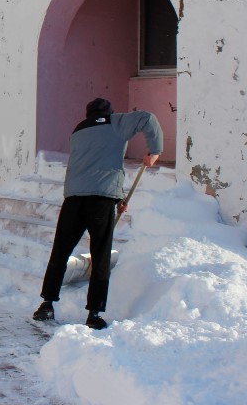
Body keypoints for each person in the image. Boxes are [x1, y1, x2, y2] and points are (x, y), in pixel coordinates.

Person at [33, 97, 163, 329]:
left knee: (60, 251)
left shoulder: (79, 131)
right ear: (109, 112)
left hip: (74, 198)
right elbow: (147, 118)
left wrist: (118, 197)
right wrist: (155, 150)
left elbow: (95, 163)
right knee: (100, 256)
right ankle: (94, 314)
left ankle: (46, 305)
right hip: (100, 201)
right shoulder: (114, 122)